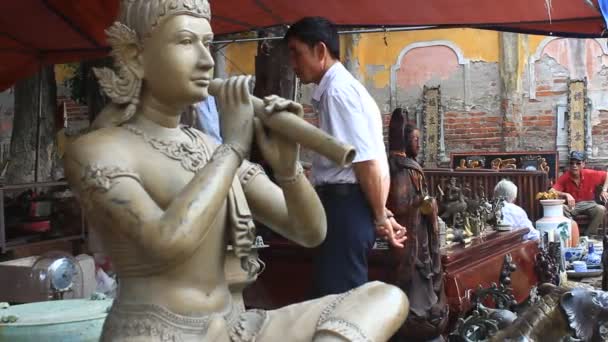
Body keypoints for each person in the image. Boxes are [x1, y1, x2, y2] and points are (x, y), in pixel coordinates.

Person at [64, 1, 409, 341]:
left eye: (208, 44)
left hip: (234, 327)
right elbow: (164, 243)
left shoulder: (206, 147)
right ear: (136, 55)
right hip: (157, 331)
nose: (205, 61)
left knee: (383, 297)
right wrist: (232, 149)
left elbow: (311, 232)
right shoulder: (98, 149)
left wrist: (287, 168)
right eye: (186, 42)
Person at [284, 16, 406, 297]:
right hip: (349, 207)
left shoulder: (338, 93)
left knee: (340, 309)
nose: (293, 63)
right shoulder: (342, 90)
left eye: (296, 53)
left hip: (344, 209)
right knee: (336, 302)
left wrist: (378, 216)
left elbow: (366, 162)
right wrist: (380, 212)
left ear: (320, 51)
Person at [386, 108, 448, 340]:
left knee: (425, 281)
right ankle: (413, 315)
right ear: (404, 140)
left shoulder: (411, 166)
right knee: (413, 283)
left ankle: (424, 311)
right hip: (407, 233)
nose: (419, 145)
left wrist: (428, 205)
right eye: (415, 140)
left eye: (420, 140)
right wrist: (423, 202)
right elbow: (401, 205)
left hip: (420, 234)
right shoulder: (401, 169)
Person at [550, 151, 608, 236]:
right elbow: (551, 191)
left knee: (601, 209)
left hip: (589, 204)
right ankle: (573, 233)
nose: (574, 166)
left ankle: (589, 235)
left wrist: (604, 189)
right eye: (572, 163)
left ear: (583, 164)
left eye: (578, 163)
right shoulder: (565, 176)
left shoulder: (590, 173)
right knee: (560, 208)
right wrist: (566, 194)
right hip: (573, 206)